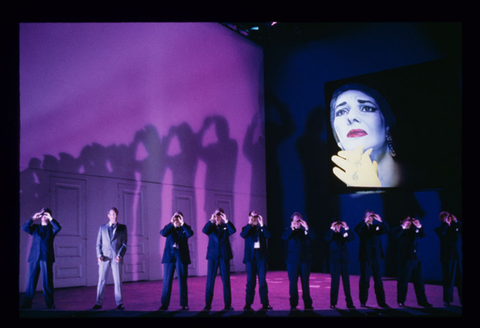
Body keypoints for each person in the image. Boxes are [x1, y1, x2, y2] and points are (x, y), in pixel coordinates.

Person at [329, 83, 403, 187]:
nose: (352, 117)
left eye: (366, 108)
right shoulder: (335, 195)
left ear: (386, 124)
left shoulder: (415, 177)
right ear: (338, 139)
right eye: (341, 112)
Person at [20, 208, 61, 309]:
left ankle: (50, 304)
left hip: (46, 257)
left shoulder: (52, 229)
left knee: (47, 282)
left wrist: (51, 218)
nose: (44, 217)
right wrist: (33, 218)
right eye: (42, 215)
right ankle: (27, 303)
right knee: (31, 281)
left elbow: (58, 227)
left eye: (46, 215)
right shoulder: (35, 228)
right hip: (34, 257)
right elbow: (24, 227)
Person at [392, 216, 432, 307]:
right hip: (405, 259)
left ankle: (422, 301)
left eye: (411, 220)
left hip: (417, 259)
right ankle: (401, 301)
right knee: (403, 281)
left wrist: (419, 226)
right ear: (401, 221)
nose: (409, 222)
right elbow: (395, 236)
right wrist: (403, 226)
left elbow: (424, 234)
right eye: (407, 220)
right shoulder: (398, 230)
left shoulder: (415, 229)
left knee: (419, 282)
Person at [93, 207, 128, 310]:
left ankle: (119, 303)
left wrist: (120, 255)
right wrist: (99, 255)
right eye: (112, 214)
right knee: (101, 280)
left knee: (118, 281)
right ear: (108, 215)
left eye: (116, 214)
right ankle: (98, 303)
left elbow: (124, 244)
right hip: (104, 258)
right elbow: (98, 244)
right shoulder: (102, 228)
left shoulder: (122, 228)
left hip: (116, 258)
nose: (114, 216)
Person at [202, 208, 236, 311]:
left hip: (224, 256)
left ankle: (228, 305)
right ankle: (207, 305)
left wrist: (226, 220)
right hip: (212, 256)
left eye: (220, 214)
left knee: (226, 281)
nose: (218, 216)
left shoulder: (226, 226)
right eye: (216, 214)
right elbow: (204, 230)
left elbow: (233, 230)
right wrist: (211, 220)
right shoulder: (211, 226)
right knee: (210, 281)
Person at [159, 212, 194, 311]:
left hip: (181, 257)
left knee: (182, 281)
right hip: (169, 257)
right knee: (166, 281)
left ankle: (184, 304)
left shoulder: (185, 228)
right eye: (176, 217)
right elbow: (162, 233)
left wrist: (183, 223)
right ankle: (164, 304)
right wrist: (171, 222)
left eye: (179, 217)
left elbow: (190, 233)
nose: (177, 219)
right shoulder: (169, 228)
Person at [354, 210, 389, 307]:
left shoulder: (376, 227)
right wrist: (364, 221)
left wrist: (380, 220)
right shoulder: (362, 228)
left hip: (376, 257)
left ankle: (382, 302)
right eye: (368, 216)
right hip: (365, 257)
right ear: (364, 217)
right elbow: (356, 229)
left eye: (371, 216)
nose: (370, 218)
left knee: (378, 280)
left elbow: (386, 230)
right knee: (365, 280)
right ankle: (363, 301)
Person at [282, 212, 316, 310]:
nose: (298, 222)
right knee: (293, 283)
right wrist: (292, 228)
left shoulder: (305, 230)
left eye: (299, 220)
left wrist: (307, 227)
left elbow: (313, 237)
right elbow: (284, 237)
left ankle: (308, 304)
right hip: (292, 261)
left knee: (305, 282)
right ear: (292, 221)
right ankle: (293, 304)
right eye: (296, 220)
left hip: (305, 260)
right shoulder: (288, 230)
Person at [240, 210, 272, 311]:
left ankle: (265, 303)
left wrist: (262, 224)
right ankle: (248, 304)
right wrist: (250, 223)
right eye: (253, 217)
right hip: (250, 258)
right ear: (249, 217)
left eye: (256, 217)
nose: (255, 219)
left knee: (262, 281)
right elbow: (243, 235)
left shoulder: (262, 228)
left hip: (261, 258)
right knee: (250, 282)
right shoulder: (246, 228)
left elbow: (268, 235)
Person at [325, 220, 355, 309]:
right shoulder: (330, 233)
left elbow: (351, 238)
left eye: (339, 225)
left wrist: (346, 227)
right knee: (335, 283)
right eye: (336, 225)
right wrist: (332, 228)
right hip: (334, 261)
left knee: (346, 283)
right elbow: (328, 239)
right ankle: (333, 303)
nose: (338, 226)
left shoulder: (344, 232)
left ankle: (349, 303)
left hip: (344, 260)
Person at [435, 211, 462, 306]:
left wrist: (456, 221)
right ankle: (447, 300)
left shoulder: (455, 228)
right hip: (447, 258)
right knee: (448, 279)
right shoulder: (440, 228)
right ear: (441, 219)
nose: (447, 218)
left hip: (457, 257)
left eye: (448, 217)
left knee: (460, 279)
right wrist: (446, 223)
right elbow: (442, 234)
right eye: (444, 217)